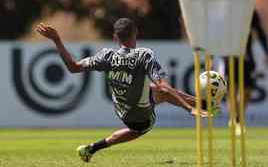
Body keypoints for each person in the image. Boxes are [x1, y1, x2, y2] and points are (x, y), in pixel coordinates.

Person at [36, 18, 211, 163]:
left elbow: (73, 67)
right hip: (143, 116)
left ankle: (92, 148)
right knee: (161, 93)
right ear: (136, 33)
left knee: (151, 95)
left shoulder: (107, 56)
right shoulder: (144, 55)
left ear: (115, 37)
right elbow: (163, 86)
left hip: (122, 110)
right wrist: (189, 109)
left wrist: (57, 39)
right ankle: (204, 104)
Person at [226, 10, 268, 135]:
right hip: (229, 54)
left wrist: (267, 52)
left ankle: (239, 117)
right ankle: (235, 119)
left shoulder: (250, 10)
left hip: (247, 55)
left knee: (248, 89)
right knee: (232, 88)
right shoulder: (226, 10)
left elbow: (260, 32)